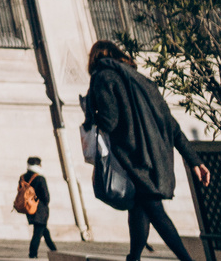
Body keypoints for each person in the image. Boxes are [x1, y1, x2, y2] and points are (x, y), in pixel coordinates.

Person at [85, 39, 211, 261]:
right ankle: (133, 258)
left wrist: (91, 114)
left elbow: (109, 121)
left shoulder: (102, 77)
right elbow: (171, 125)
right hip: (155, 157)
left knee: (154, 210)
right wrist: (195, 161)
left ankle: (187, 260)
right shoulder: (141, 80)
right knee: (139, 208)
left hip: (132, 158)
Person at [16, 155, 54, 258]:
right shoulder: (40, 178)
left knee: (43, 229)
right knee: (38, 232)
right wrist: (45, 203)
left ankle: (54, 249)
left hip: (29, 208)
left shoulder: (23, 177)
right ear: (38, 165)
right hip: (40, 209)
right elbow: (46, 196)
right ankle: (32, 254)